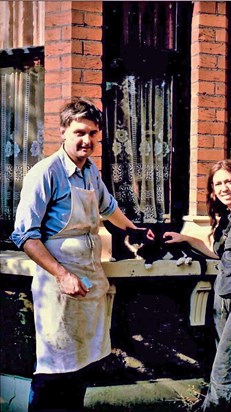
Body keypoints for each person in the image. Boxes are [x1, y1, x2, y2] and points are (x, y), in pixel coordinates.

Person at [11, 97, 154, 412]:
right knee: (53, 369)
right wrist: (62, 275)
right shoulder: (44, 173)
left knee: (81, 367)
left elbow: (109, 209)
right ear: (63, 131)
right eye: (79, 132)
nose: (86, 140)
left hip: (88, 283)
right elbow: (25, 236)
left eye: (92, 133)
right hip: (58, 287)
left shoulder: (90, 172)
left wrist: (134, 231)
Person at [164, 159, 231, 411]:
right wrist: (187, 238)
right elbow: (220, 254)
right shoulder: (230, 216)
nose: (224, 188)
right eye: (218, 184)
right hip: (223, 301)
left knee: (223, 377)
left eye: (229, 181)